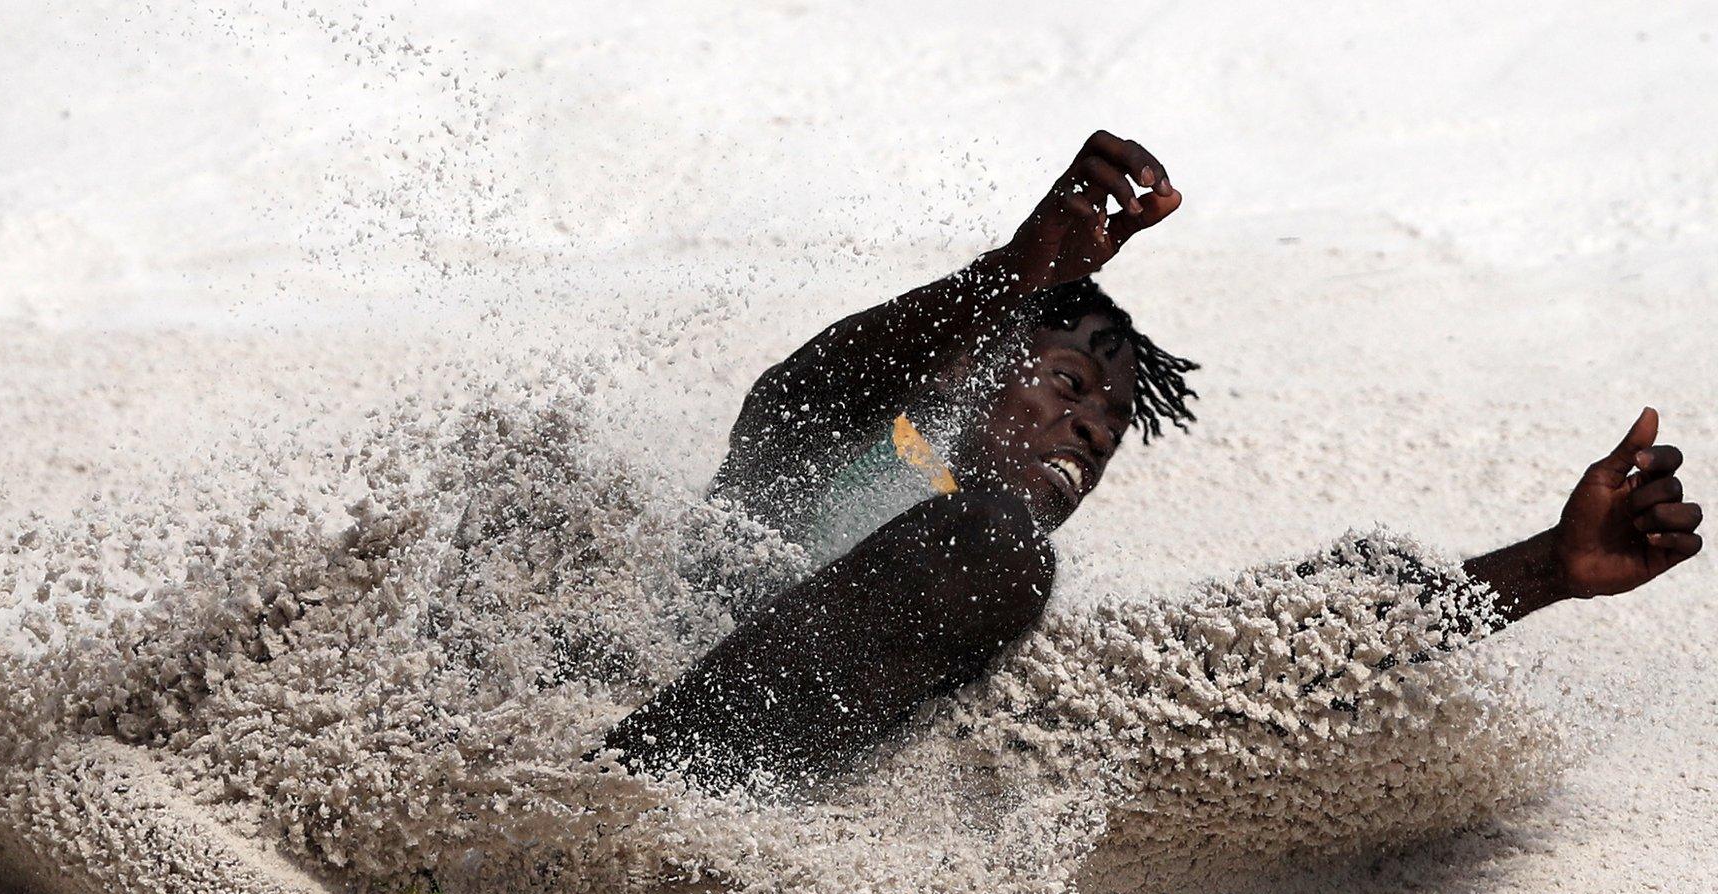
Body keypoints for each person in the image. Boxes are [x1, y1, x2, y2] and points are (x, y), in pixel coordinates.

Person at [605, 130, 1704, 795]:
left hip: (739, 823)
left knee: (1050, 623)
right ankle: (614, 806)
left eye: (1112, 422)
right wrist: (1007, 275)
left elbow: (1241, 661)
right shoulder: (841, 453)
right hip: (596, 752)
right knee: (989, 549)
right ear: (966, 374)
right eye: (1067, 386)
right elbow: (807, 384)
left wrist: (1543, 571)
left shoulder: (1000, 600)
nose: (1089, 429)